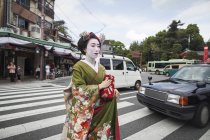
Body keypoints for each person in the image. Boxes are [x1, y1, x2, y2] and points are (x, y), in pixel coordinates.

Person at [61, 32, 120, 140]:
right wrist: (99, 87)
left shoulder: (101, 67)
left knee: (101, 135)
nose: (96, 49)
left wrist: (113, 89)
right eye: (92, 45)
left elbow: (106, 83)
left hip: (102, 108)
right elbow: (77, 90)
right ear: (84, 49)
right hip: (86, 109)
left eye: (98, 46)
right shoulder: (78, 67)